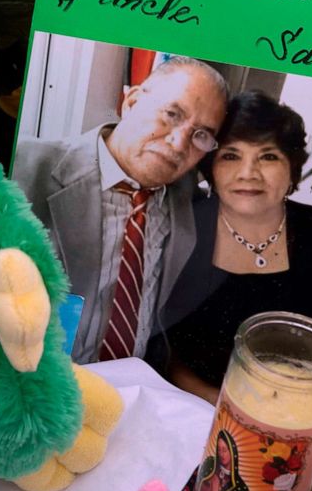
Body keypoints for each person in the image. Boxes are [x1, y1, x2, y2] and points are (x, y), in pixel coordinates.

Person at [13, 56, 228, 363]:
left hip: (132, 392)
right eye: (171, 114)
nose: (179, 143)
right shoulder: (23, 166)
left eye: (201, 135)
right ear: (132, 101)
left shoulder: (191, 202)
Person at [151, 91, 312, 404]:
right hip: (191, 407)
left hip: (299, 413)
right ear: (211, 168)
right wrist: (223, 404)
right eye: (231, 155)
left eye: (268, 156)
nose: (248, 173)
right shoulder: (181, 229)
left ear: (292, 169)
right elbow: (162, 347)